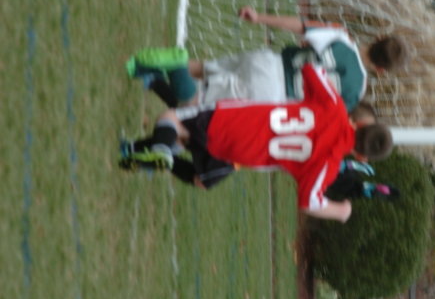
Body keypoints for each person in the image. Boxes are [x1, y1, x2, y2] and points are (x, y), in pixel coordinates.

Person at [120, 63, 393, 222]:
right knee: (184, 135)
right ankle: (142, 150)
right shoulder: (327, 166)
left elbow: (312, 69)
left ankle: (159, 149)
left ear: (361, 124)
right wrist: (340, 211)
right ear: (361, 157)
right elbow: (309, 202)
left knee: (172, 119)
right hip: (238, 153)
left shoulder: (334, 106)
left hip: (235, 119)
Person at [126, 7, 407, 111]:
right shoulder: (356, 93)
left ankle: (139, 68)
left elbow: (300, 26)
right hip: (271, 94)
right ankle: (173, 64)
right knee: (192, 106)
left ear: (377, 38)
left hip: (267, 61)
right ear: (382, 70)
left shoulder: (341, 36)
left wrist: (259, 17)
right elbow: (319, 115)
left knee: (202, 69)